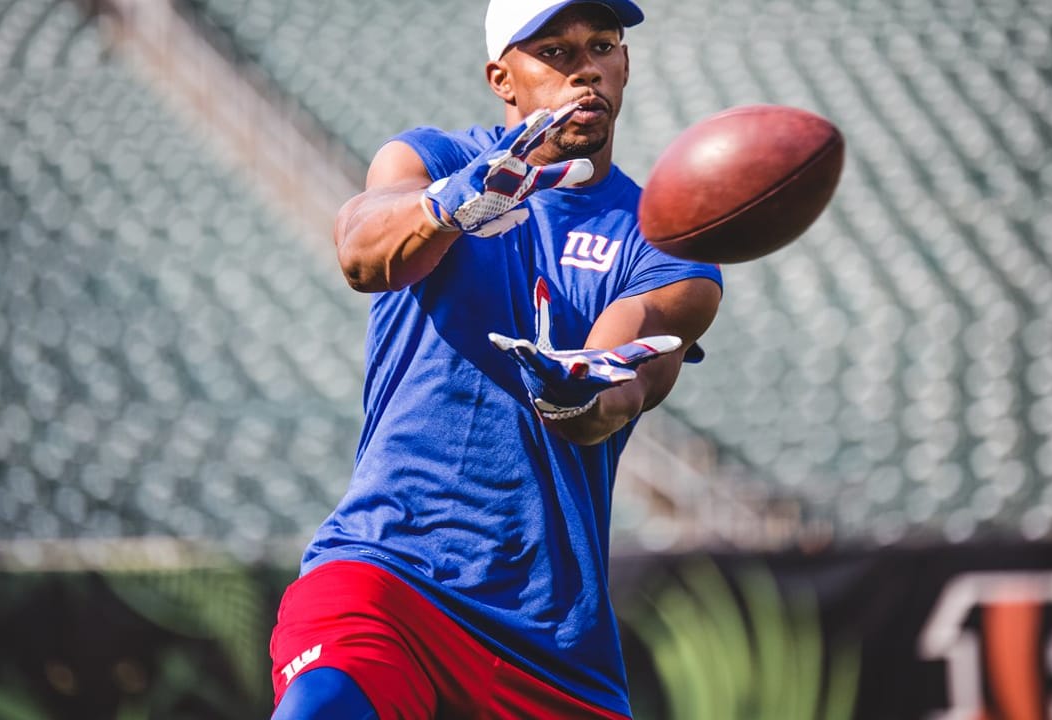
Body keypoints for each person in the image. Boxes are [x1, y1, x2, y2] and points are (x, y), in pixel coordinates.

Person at [269, 1, 722, 717]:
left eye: (601, 46)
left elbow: (622, 388)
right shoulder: (432, 161)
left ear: (625, 64)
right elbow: (361, 252)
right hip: (391, 572)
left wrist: (576, 392)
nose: (585, 71)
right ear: (503, 79)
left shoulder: (666, 245)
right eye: (555, 52)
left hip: (552, 637)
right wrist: (453, 204)